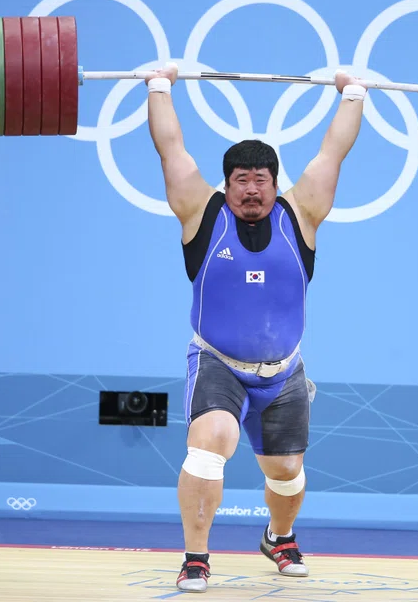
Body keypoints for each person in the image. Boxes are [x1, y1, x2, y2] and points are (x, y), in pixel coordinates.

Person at [144, 62, 366, 593]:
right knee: (209, 443)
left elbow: (333, 152)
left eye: (259, 181)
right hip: (218, 362)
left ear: (274, 183)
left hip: (283, 373)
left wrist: (354, 93)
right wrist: (158, 86)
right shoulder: (201, 212)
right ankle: (196, 558)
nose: (250, 191)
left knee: (286, 472)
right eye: (240, 181)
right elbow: (171, 149)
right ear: (226, 184)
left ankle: (279, 537)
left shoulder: (303, 213)